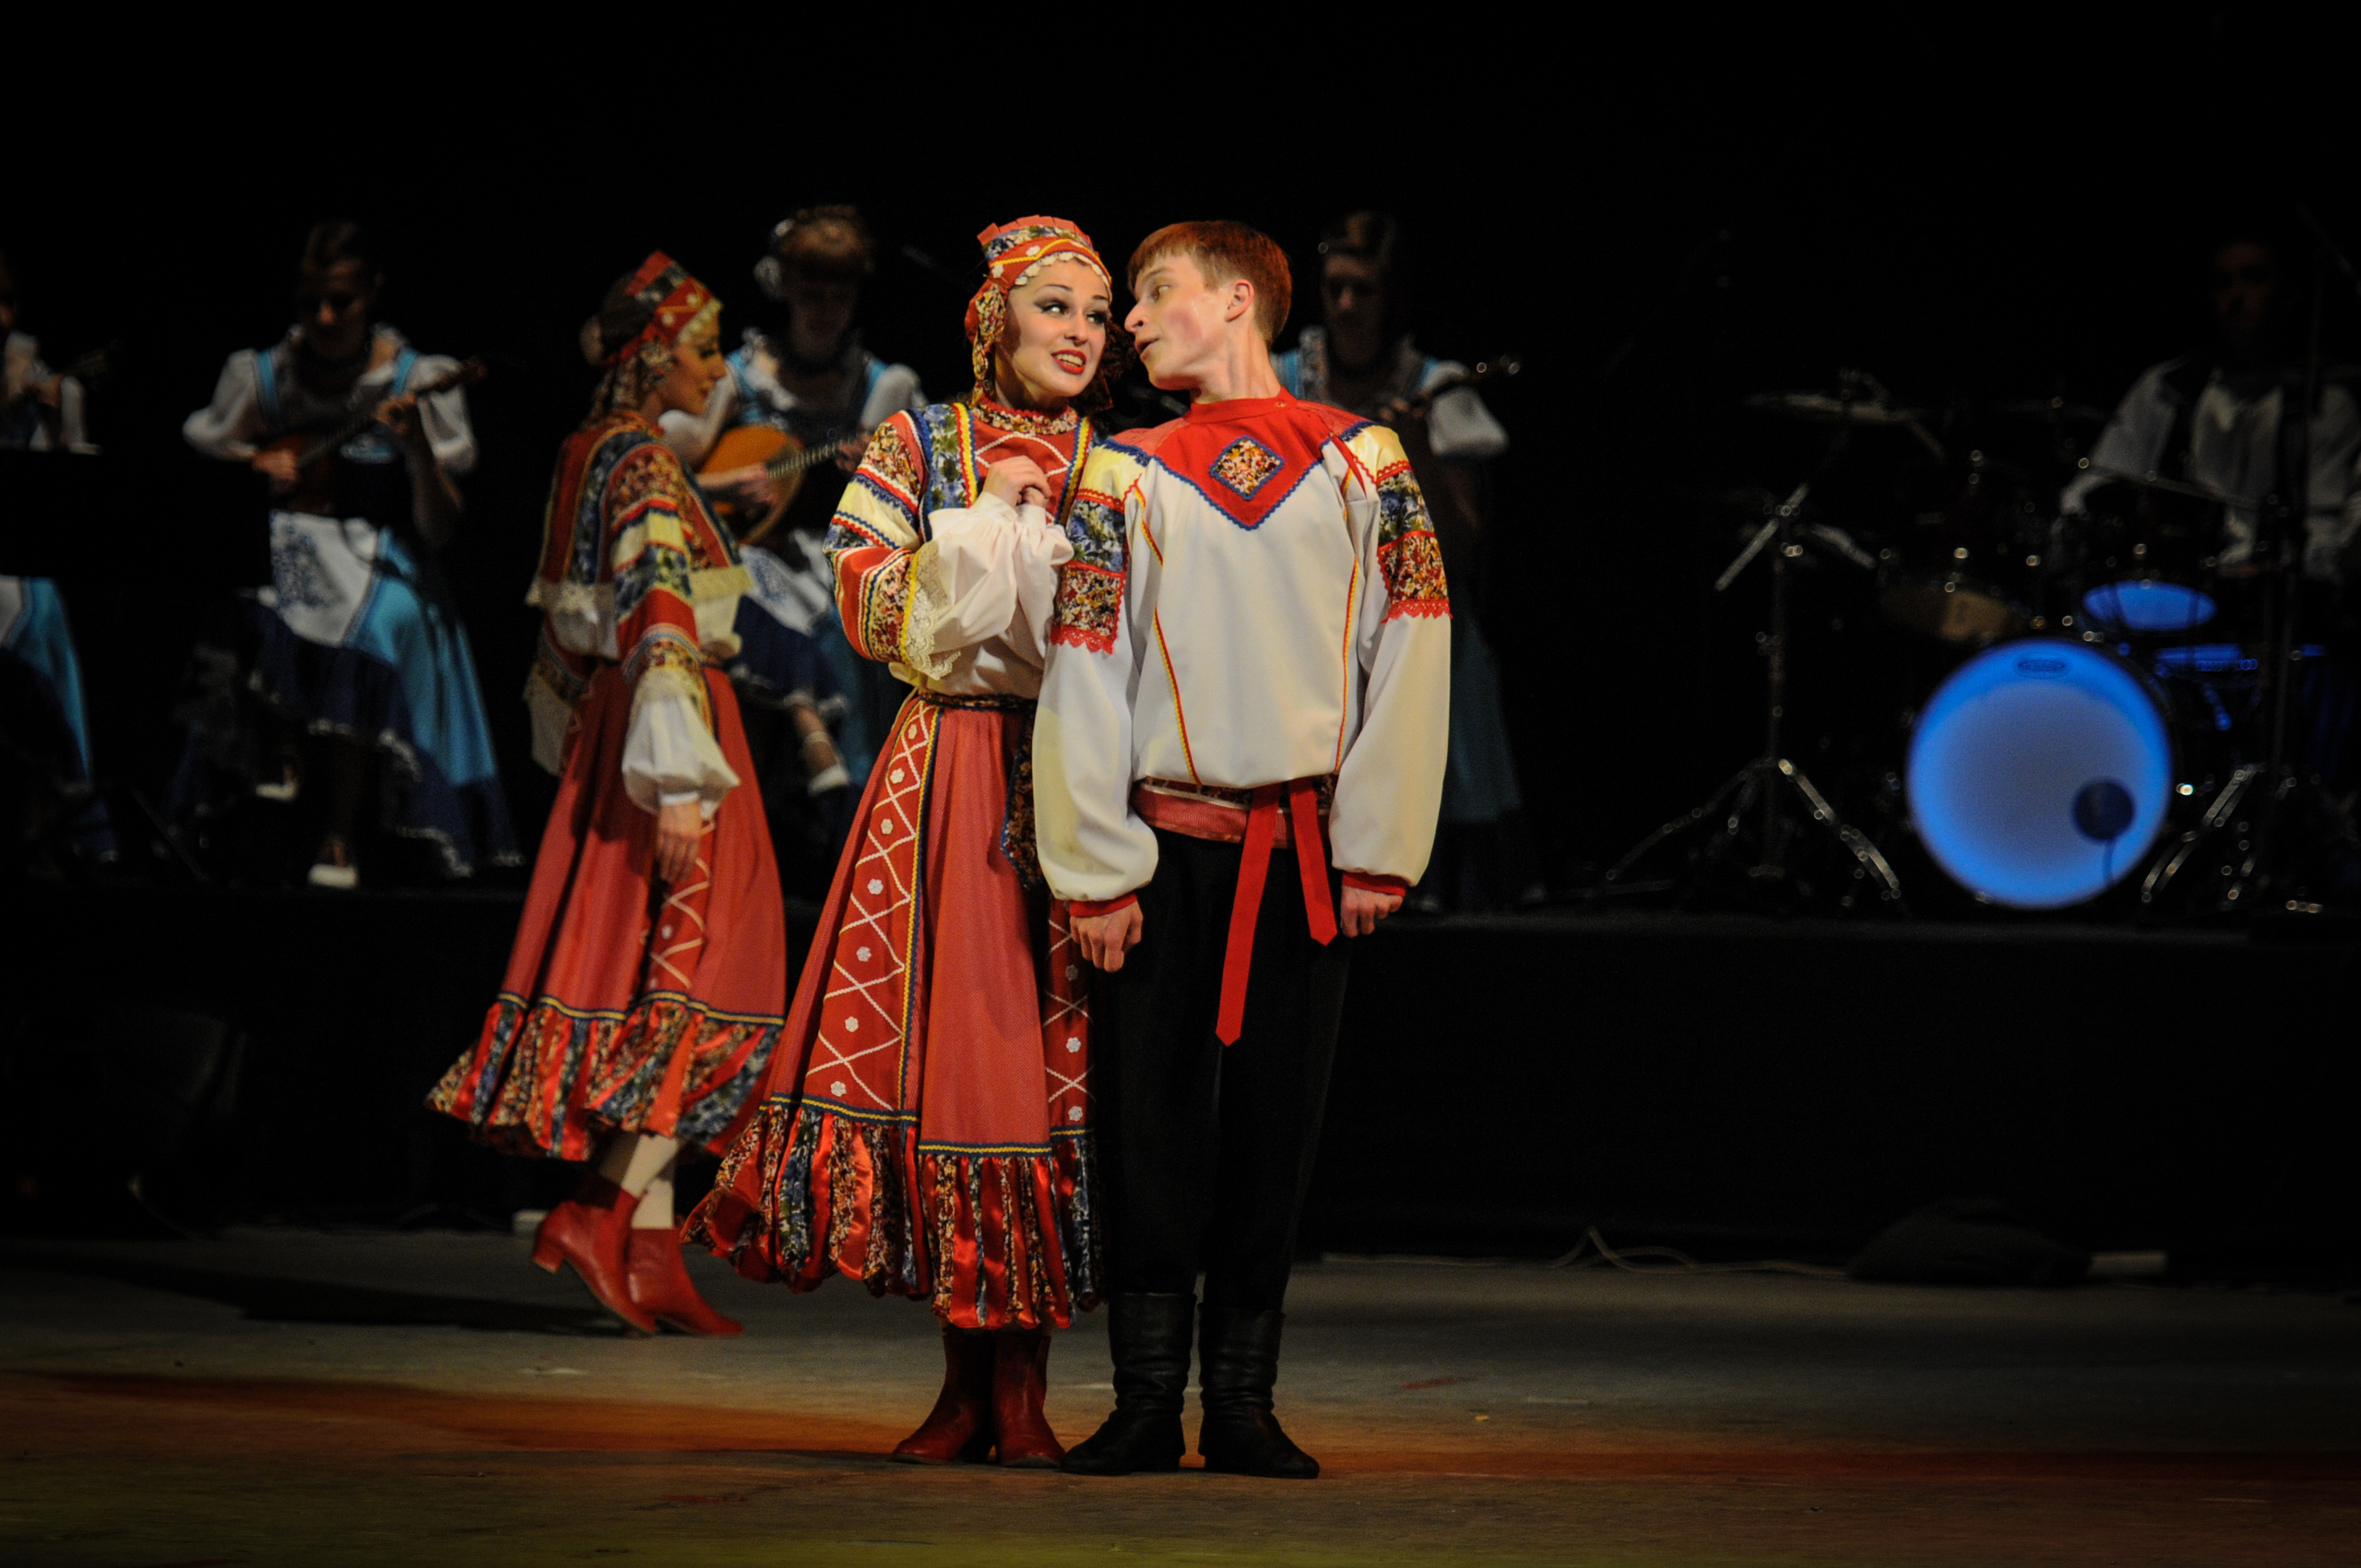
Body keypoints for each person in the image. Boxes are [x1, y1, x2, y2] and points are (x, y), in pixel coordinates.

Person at [689, 216, 1124, 1467]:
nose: (1080, 333)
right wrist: (984, 524)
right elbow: (876, 609)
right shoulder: (921, 441)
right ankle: (963, 1381)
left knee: (1048, 1073)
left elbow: (1133, 631)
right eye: (1056, 307)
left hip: (1076, 779)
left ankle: (1026, 1386)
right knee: (950, 1064)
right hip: (948, 774)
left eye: (1097, 313)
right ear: (995, 320)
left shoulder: (1121, 465)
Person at [1036, 221, 1451, 1479]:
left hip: (1306, 854)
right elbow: (1086, 663)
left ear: (1235, 301)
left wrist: (1379, 845)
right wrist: (1095, 866)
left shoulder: (1364, 459)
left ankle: (1247, 1398)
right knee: (1150, 1125)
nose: (1135, 322)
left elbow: (1413, 643)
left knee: (1279, 1124)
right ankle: (1149, 1397)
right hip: (1166, 849)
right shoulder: (1121, 471)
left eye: (1156, 294)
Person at [429, 254, 787, 1336]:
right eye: (704, 350)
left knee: (658, 979)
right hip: (673, 735)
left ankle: (650, 1246)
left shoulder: (600, 452)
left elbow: (570, 625)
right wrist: (679, 783)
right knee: (704, 977)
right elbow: (659, 612)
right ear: (653, 355)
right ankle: (600, 1213)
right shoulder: (639, 466)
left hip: (623, 729)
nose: (716, 371)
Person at [181, 220, 515, 886]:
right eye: (310, 303)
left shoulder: (417, 377)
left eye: (342, 302)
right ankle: (277, 758)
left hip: (380, 548)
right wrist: (258, 459)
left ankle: (340, 830)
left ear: (373, 295)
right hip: (290, 538)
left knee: (381, 627)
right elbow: (206, 447)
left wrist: (416, 448)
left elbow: (442, 528)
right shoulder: (266, 372)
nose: (325, 318)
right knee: (251, 590)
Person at [1275, 212, 1536, 910]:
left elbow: (1460, 551)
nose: (1348, 307)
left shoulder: (1435, 385)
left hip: (1417, 633)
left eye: (1364, 289)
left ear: (1391, 295)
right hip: (1307, 640)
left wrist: (1415, 445)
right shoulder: (1284, 382)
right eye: (1335, 289)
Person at [2063, 227, 2361, 788]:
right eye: (2223, 282)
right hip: (2161, 618)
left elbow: (2330, 536)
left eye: (2254, 279)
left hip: (2270, 627)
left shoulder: (2326, 404)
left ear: (2290, 294)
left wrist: (2274, 570)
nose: (2237, 296)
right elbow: (2089, 489)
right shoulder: (2169, 389)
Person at [661, 208, 926, 836]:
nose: (826, 307)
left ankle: (847, 803)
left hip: (842, 562)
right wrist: (724, 483)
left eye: (840, 293)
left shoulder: (882, 387)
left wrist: (878, 476)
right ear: (784, 288)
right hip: (757, 558)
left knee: (853, 612)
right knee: (733, 586)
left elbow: (925, 498)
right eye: (812, 292)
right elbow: (664, 467)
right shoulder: (742, 377)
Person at [0, 248, 115, 868]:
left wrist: (53, 429)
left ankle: (39, 829)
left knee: (35, 612)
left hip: (16, 558)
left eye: (8, 301)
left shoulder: (37, 373)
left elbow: (69, 508)